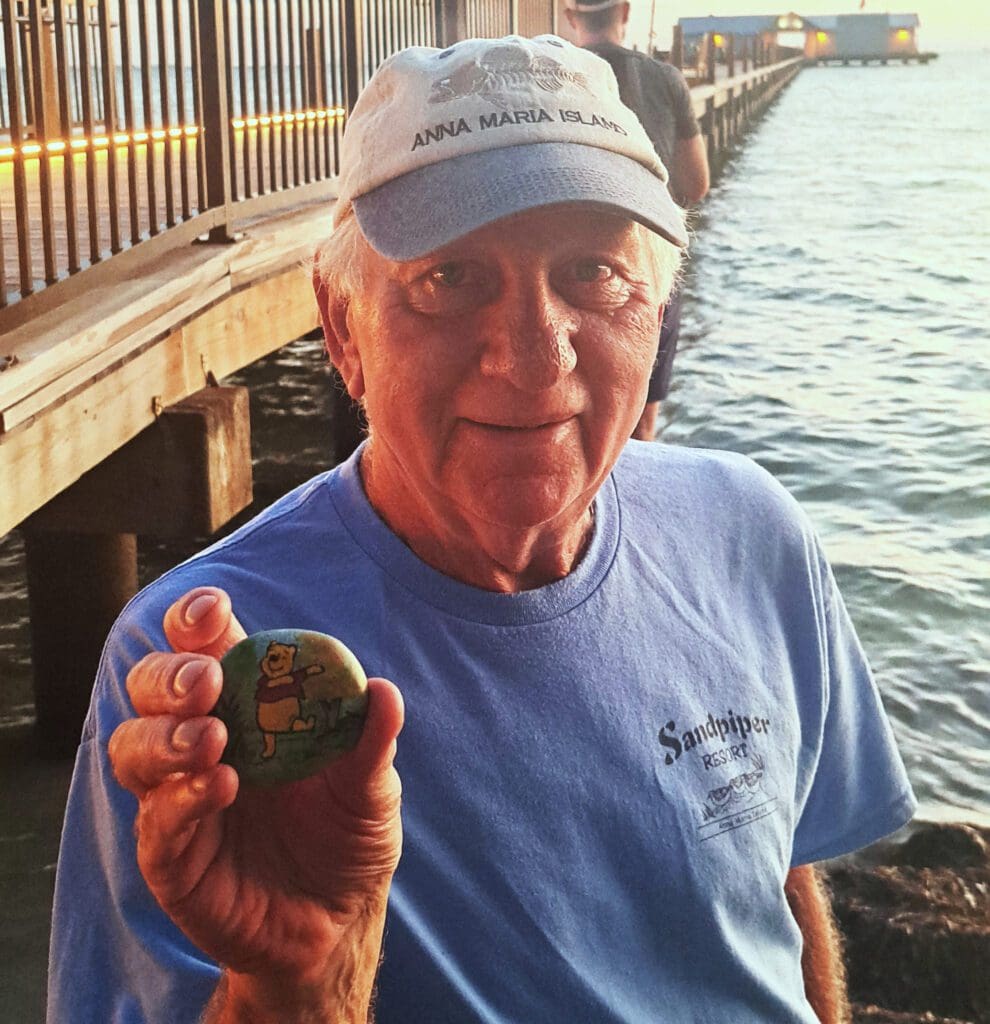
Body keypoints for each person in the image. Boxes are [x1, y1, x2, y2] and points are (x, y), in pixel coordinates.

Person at [48, 35, 915, 1024]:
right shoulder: (204, 669)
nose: (537, 360)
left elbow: (781, 887)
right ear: (342, 327)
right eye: (450, 278)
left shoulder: (750, 532)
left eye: (594, 271)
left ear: (660, 307)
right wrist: (297, 988)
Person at [565, 0, 710, 439]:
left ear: (571, 16)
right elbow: (696, 183)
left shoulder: (557, 74)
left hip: (572, 266)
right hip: (648, 261)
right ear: (625, 11)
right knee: (642, 418)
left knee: (573, 409)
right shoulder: (665, 79)